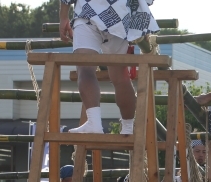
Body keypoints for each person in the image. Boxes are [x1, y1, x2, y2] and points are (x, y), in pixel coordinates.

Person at [59, 0, 159, 134]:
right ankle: (128, 127)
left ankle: (94, 122)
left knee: (85, 68)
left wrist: (63, 16)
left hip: (87, 12)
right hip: (120, 15)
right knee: (121, 78)